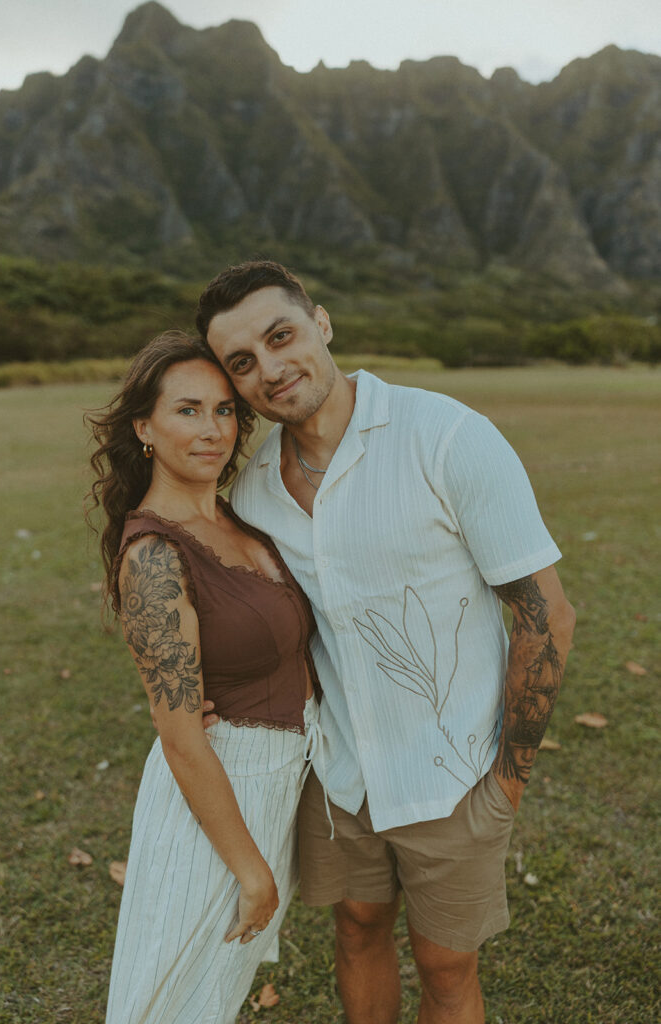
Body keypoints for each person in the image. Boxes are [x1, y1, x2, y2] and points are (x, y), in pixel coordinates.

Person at [195, 260, 577, 1024]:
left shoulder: (445, 436)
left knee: (444, 965)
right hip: (338, 775)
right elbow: (266, 622)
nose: (269, 370)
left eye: (281, 336)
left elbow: (544, 615)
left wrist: (508, 778)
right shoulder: (253, 491)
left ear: (321, 323)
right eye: (243, 362)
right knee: (357, 928)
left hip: (457, 770)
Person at [86, 330, 321, 1024]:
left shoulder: (238, 520)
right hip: (216, 801)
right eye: (187, 411)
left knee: (213, 997)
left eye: (224, 411)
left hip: (275, 784)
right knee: (172, 1001)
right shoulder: (154, 553)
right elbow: (183, 737)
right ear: (144, 426)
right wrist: (250, 869)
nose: (212, 430)